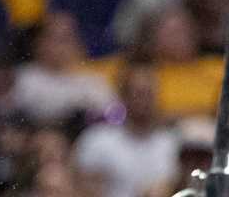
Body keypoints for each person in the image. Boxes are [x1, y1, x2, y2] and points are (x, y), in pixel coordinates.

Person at [72, 64, 179, 197]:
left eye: (149, 93)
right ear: (123, 97)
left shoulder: (173, 144)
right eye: (138, 94)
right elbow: (84, 189)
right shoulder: (96, 140)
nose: (144, 101)